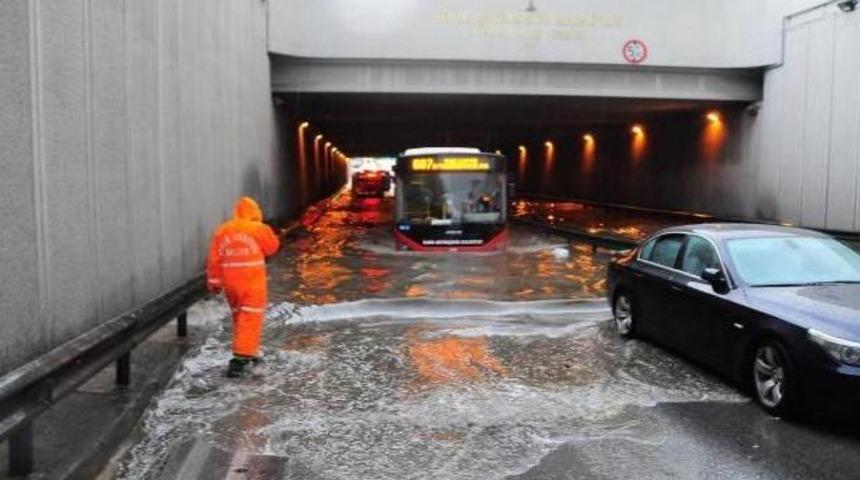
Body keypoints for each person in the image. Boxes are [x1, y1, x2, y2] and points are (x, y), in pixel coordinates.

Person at [207, 196, 280, 377]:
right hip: (252, 282)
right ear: (255, 212)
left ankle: (249, 352)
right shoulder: (258, 229)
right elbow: (272, 248)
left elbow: (214, 259)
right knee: (251, 318)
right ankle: (239, 360)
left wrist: (215, 282)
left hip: (231, 283)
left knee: (240, 317)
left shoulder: (222, 230)